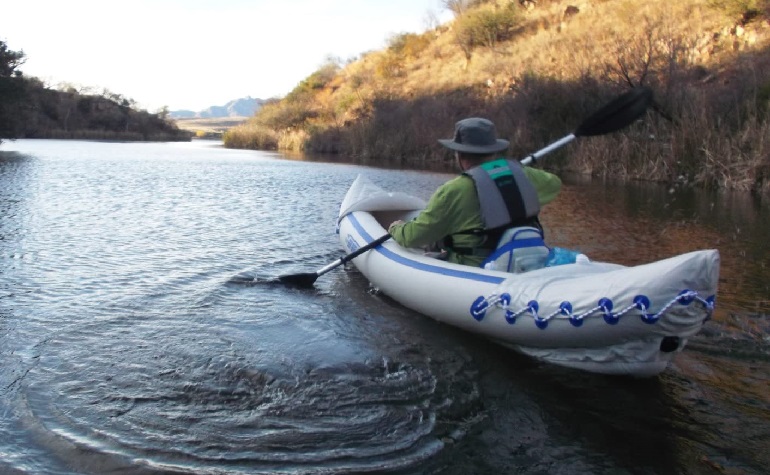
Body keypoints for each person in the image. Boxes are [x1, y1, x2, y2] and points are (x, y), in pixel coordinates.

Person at [388, 117, 562, 267]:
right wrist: (515, 170)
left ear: (459, 155)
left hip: (475, 266)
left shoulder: (452, 191)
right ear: (493, 151)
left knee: (436, 239)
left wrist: (396, 228)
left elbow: (412, 237)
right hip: (521, 260)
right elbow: (554, 183)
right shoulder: (524, 174)